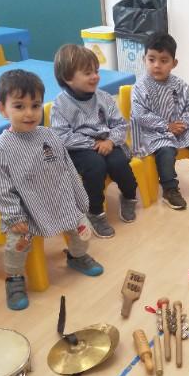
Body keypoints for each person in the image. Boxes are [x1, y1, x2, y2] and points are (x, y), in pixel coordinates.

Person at [0, 70, 104, 311]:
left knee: (83, 230)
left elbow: (68, 169)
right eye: (19, 106)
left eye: (35, 105)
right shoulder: (1, 148)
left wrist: (80, 199)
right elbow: (1, 188)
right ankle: (14, 278)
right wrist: (14, 216)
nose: (29, 113)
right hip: (26, 210)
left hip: (60, 201)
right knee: (17, 244)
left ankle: (76, 257)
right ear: (3, 109)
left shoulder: (49, 136)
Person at [50, 44, 138, 239]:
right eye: (88, 73)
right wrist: (92, 144)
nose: (95, 77)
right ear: (68, 78)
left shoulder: (104, 97)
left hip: (108, 142)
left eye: (96, 71)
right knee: (95, 166)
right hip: (79, 149)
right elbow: (61, 136)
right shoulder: (60, 104)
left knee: (119, 162)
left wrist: (110, 142)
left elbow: (120, 125)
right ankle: (95, 211)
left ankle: (129, 196)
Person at [130, 32, 189, 209]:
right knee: (166, 151)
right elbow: (140, 115)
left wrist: (182, 124)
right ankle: (169, 189)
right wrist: (166, 126)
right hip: (152, 133)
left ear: (174, 63)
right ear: (144, 59)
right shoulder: (140, 87)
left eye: (164, 60)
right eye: (151, 59)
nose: (157, 65)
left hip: (180, 128)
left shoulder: (180, 85)